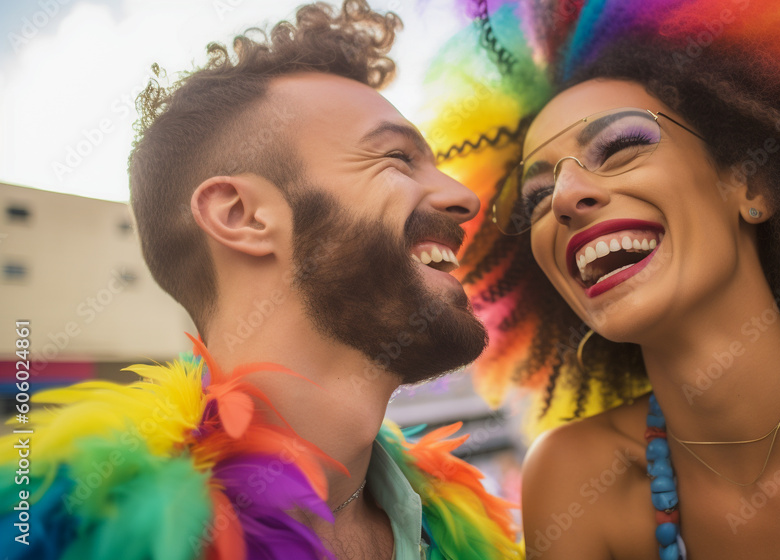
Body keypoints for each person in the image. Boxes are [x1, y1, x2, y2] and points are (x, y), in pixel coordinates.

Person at [421, 0, 780, 558]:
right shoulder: (571, 479)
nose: (567, 197)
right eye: (537, 196)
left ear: (752, 187)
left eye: (620, 147)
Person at [0, 2, 522, 559]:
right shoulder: (61, 534)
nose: (464, 198)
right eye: (397, 159)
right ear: (241, 216)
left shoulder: (466, 534)